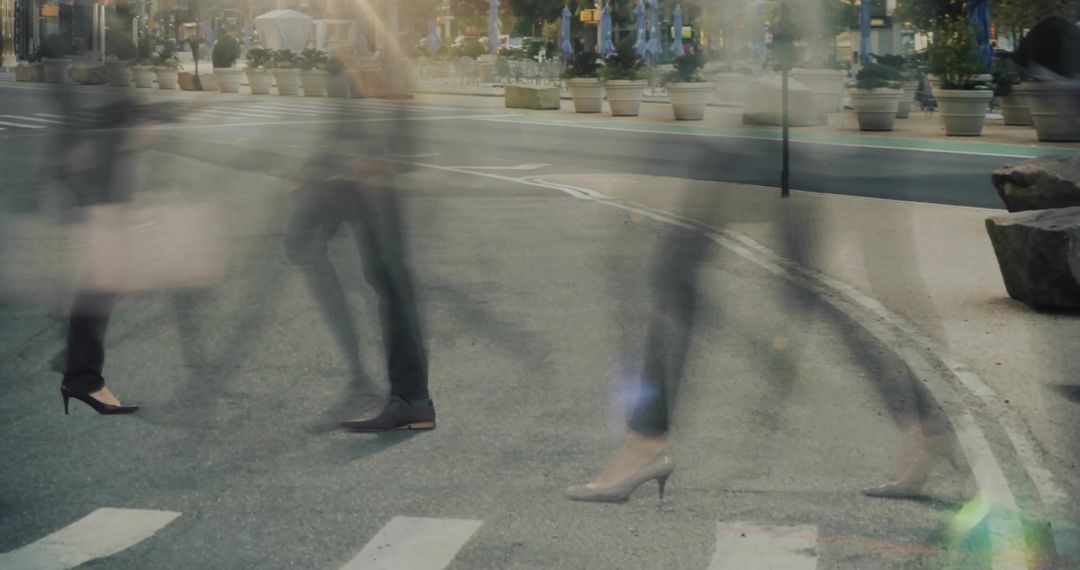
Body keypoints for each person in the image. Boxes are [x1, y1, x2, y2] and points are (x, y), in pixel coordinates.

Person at [284, 95, 434, 433]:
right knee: (305, 245)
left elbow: (399, 102)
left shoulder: (380, 50)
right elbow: (345, 114)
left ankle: (412, 399)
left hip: (370, 178)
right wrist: (318, 164)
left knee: (391, 279)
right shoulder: (350, 56)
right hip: (350, 177)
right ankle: (378, 377)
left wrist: (386, 159)